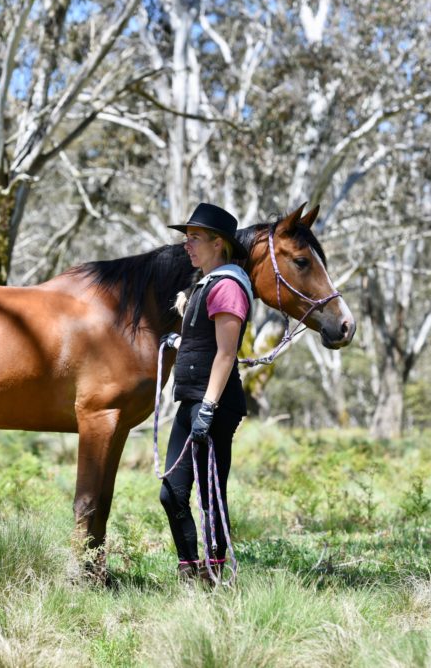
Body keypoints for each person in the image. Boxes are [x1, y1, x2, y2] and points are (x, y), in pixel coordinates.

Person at [159, 202, 253, 582]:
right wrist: (181, 342)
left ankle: (215, 577)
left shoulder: (228, 286)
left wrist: (209, 407)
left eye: (195, 238)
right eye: (186, 238)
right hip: (192, 401)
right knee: (172, 492)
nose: (187, 245)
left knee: (211, 493)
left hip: (212, 403)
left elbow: (227, 354)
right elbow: (209, 344)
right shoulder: (205, 284)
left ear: (219, 244)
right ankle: (189, 569)